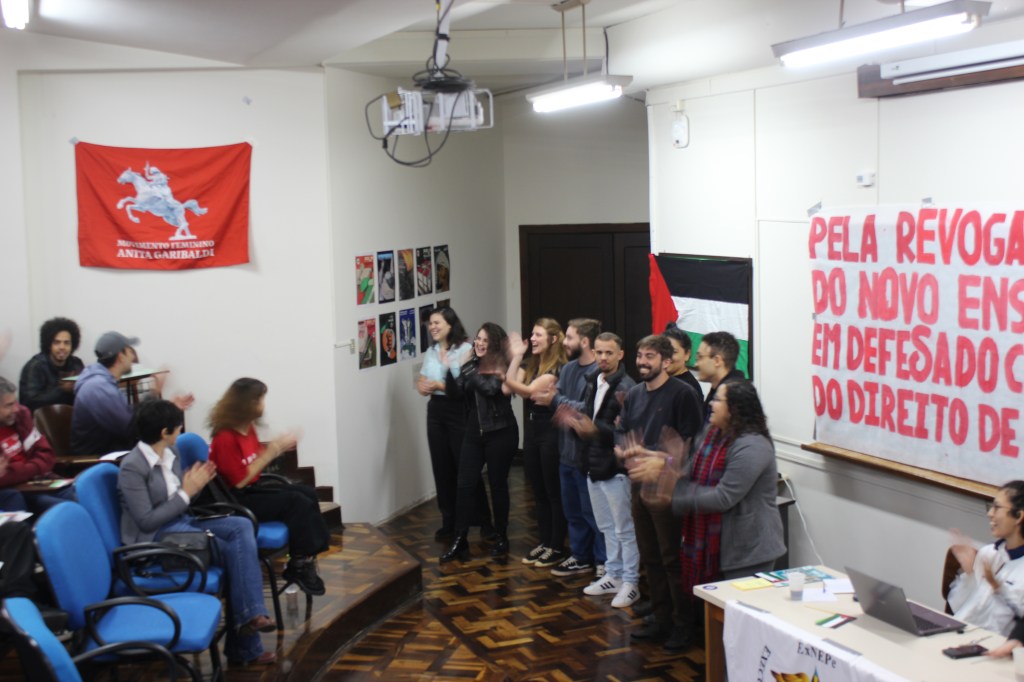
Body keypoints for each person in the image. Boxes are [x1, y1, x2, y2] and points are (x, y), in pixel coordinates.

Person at [118, 400, 276, 666]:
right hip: (157, 539)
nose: (181, 430)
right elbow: (146, 521)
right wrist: (186, 492)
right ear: (165, 432)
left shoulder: (172, 453)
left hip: (182, 523)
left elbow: (180, 501)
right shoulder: (132, 467)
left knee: (241, 525)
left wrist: (196, 486)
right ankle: (247, 640)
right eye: (177, 427)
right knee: (235, 555)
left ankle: (250, 620)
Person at [616, 335, 702, 651]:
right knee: (650, 555)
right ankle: (661, 617)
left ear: (666, 361)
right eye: (640, 355)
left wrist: (664, 462)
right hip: (639, 483)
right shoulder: (635, 394)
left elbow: (694, 444)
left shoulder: (683, 394)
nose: (641, 361)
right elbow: (622, 432)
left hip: (668, 487)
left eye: (649, 356)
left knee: (671, 558)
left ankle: (683, 624)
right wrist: (622, 450)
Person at [207, 378, 330, 596]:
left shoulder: (248, 428)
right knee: (296, 502)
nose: (263, 404)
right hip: (234, 500)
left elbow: (255, 463)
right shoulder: (225, 437)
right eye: (260, 399)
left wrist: (277, 448)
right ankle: (300, 564)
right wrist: (272, 451)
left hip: (252, 488)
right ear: (248, 403)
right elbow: (239, 480)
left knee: (307, 493)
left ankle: (303, 559)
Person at [555, 332, 640, 608]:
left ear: (620, 354)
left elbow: (626, 432)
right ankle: (613, 574)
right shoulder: (594, 380)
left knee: (624, 528)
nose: (603, 358)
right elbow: (592, 420)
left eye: (609, 353)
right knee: (606, 526)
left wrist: (593, 429)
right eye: (599, 352)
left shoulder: (626, 387)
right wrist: (576, 421)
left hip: (615, 468)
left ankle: (631, 582)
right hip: (592, 463)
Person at [440, 323, 519, 562]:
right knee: (464, 485)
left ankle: (502, 536)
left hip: (501, 433)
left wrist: (465, 367)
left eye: (485, 340)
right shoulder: (472, 365)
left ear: (494, 344)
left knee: (497, 486)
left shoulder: (501, 365)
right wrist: (449, 369)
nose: (479, 343)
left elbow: (489, 388)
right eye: (478, 339)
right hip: (474, 433)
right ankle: (460, 539)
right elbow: (455, 393)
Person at [415, 307, 493, 541]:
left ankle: (484, 520)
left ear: (450, 324)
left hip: (459, 410)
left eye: (437, 323)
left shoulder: (466, 349)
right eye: (430, 324)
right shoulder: (431, 351)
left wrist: (438, 385)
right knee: (441, 467)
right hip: (436, 411)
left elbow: (465, 385)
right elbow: (422, 378)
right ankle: (448, 521)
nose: (432, 327)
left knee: (466, 467)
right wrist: (421, 386)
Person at [536, 318, 605, 578]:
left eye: (570, 337)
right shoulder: (567, 369)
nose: (564, 342)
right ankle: (580, 556)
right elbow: (563, 402)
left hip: (588, 457)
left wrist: (557, 400)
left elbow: (588, 409)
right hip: (566, 453)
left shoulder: (598, 372)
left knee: (593, 513)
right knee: (573, 512)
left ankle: (602, 561)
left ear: (584, 341)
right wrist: (560, 401)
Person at [506, 318, 568, 568]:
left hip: (550, 430)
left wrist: (512, 365)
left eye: (538, 335)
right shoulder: (532, 364)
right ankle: (545, 541)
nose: (532, 339)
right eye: (532, 334)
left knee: (553, 491)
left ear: (553, 339)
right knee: (538, 490)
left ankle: (557, 546)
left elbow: (527, 391)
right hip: (532, 430)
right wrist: (516, 358)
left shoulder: (557, 368)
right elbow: (507, 388)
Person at [71, 331, 193, 455]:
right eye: (130, 351)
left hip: (116, 451)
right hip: (103, 458)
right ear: (120, 356)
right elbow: (133, 427)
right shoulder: (98, 387)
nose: (133, 357)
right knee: (179, 447)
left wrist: (167, 406)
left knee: (181, 444)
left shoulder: (102, 383)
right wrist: (156, 396)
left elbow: (131, 416)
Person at [947, 481, 1024, 636]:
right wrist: (969, 574)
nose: (990, 514)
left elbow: (1016, 626)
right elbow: (958, 606)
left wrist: (998, 588)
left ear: (1018, 516)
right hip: (958, 633)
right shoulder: (989, 553)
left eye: (997, 507)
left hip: (996, 645)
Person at [0, 377, 71, 512]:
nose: (15, 409)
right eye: (9, 405)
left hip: (40, 481)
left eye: (15, 402)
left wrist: (18, 471)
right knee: (63, 509)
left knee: (82, 494)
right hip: (14, 493)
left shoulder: (21, 416)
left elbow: (47, 455)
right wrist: (34, 468)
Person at [19, 317, 85, 412]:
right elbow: (29, 403)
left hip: (70, 416)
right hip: (41, 419)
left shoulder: (76, 364)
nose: (62, 347)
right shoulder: (35, 367)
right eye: (57, 342)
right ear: (49, 345)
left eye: (67, 343)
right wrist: (62, 390)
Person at [692, 331, 745, 422]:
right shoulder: (718, 389)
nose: (695, 364)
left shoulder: (732, 398)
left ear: (717, 361)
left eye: (700, 357)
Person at [662, 323, 703, 401]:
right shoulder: (658, 380)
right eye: (664, 350)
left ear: (687, 354)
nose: (667, 356)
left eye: (674, 352)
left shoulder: (688, 389)